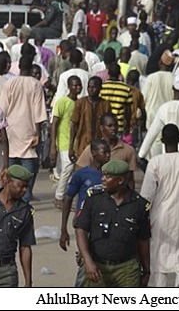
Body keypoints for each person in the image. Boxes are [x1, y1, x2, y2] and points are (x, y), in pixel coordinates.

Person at [74, 160, 151, 287]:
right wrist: (88, 261)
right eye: (103, 175)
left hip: (127, 270)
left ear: (120, 181)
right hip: (97, 268)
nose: (102, 179)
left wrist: (147, 271)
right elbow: (81, 230)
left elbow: (143, 240)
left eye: (108, 177)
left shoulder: (139, 205)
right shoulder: (94, 199)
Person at [140, 124, 179, 287]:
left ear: (162, 141)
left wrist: (141, 217)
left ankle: (161, 291)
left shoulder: (155, 163)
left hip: (160, 216)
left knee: (159, 255)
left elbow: (147, 195)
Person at [59, 138, 110, 287]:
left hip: (104, 225)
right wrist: (63, 230)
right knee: (85, 264)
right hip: (84, 225)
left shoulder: (110, 175)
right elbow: (68, 199)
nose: (108, 155)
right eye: (104, 152)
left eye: (109, 152)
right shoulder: (81, 174)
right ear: (93, 153)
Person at [0, 55, 48, 203]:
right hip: (29, 134)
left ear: (18, 66)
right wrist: (38, 134)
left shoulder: (10, 83)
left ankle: (10, 202)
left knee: (11, 173)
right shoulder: (36, 84)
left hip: (11, 133)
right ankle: (23, 204)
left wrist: (0, 132)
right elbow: (39, 113)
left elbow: (1, 110)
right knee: (27, 176)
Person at [75, 112, 137, 190]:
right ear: (101, 128)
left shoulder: (128, 150)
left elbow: (130, 179)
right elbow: (79, 172)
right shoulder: (92, 149)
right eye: (109, 126)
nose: (113, 128)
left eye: (115, 125)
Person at [139, 71, 179, 160]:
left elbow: (152, 132)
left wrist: (141, 154)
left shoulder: (164, 108)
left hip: (167, 155)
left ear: (173, 88)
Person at [49, 75, 82, 208]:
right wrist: (53, 145)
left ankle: (69, 196)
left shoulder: (79, 103)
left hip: (76, 142)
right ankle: (59, 196)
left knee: (75, 170)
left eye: (79, 85)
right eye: (74, 85)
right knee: (67, 168)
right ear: (69, 87)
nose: (77, 88)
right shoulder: (62, 102)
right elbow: (54, 124)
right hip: (63, 141)